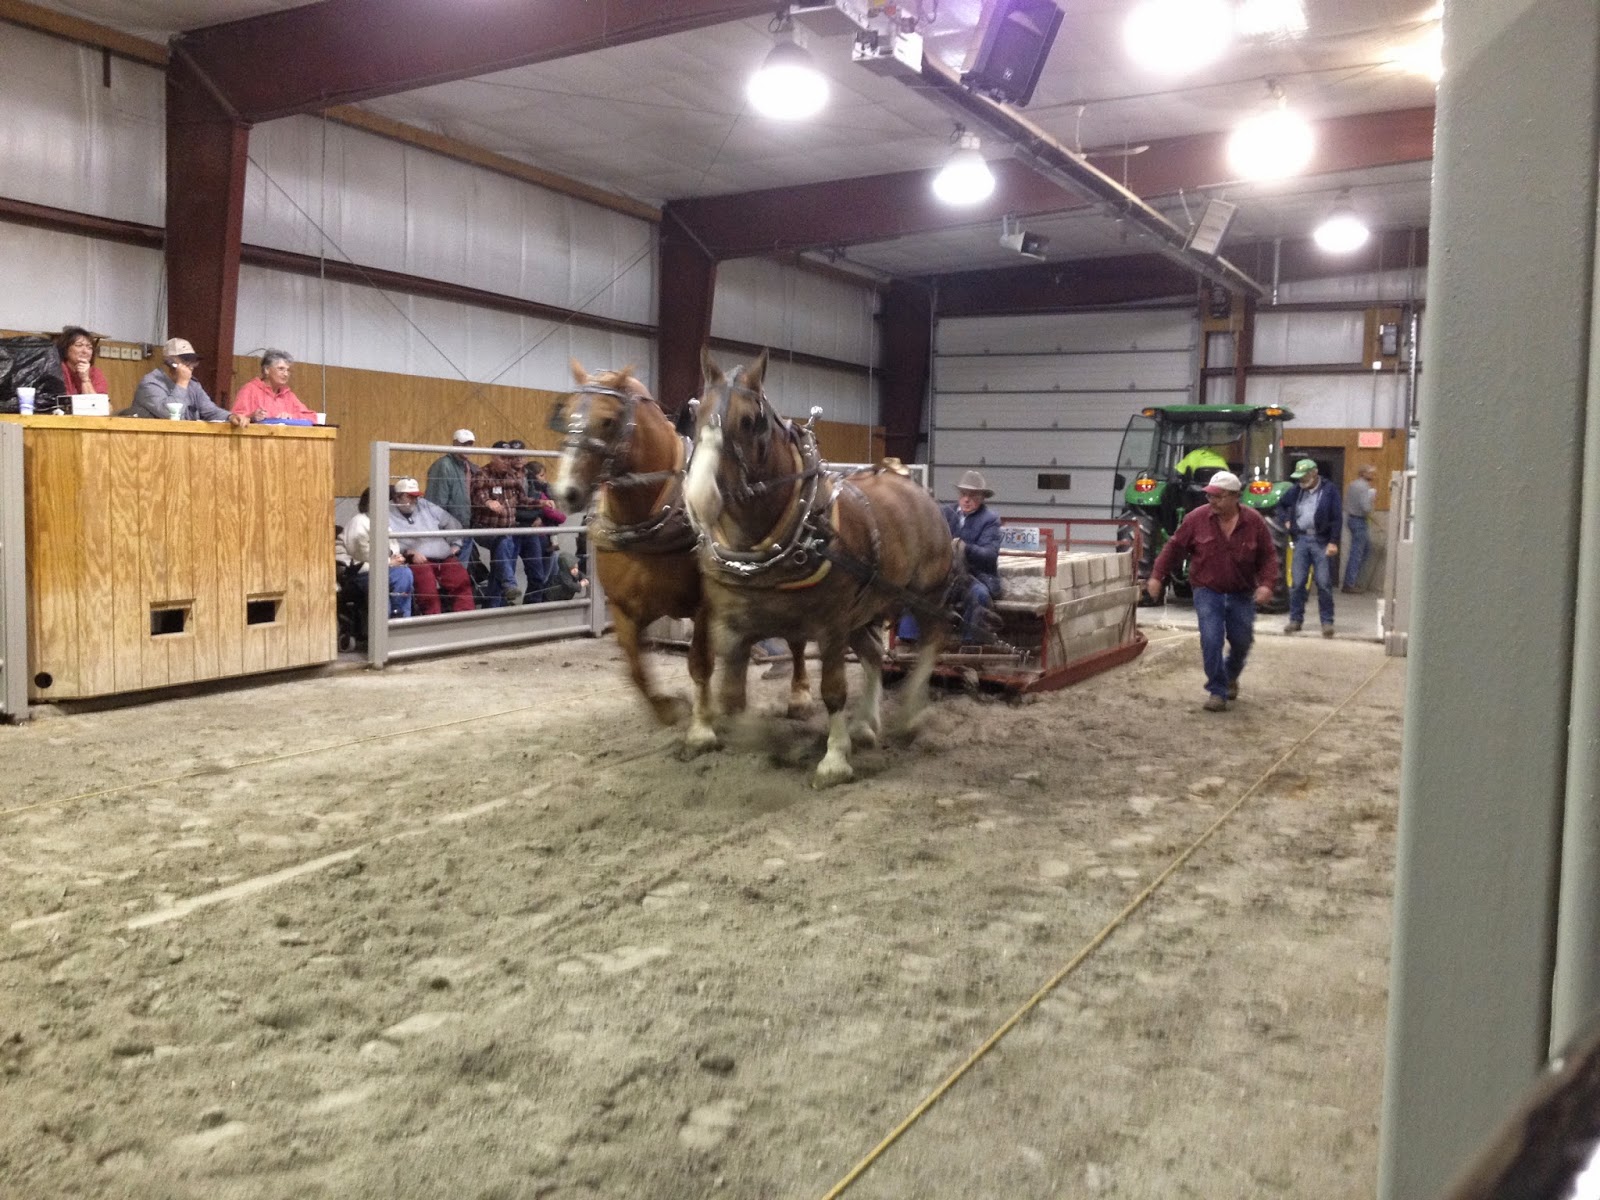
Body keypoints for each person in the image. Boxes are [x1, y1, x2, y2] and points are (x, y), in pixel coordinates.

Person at [1146, 471, 1279, 712]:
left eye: (1218, 497)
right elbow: (1173, 548)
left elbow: (1268, 556)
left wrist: (1267, 584)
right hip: (1208, 590)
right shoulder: (1196, 519)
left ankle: (1229, 675)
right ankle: (1217, 690)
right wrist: (1157, 576)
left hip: (1241, 592)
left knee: (1242, 641)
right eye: (1210, 496)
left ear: (1235, 497)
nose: (1212, 501)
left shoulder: (1254, 522)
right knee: (1211, 639)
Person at [897, 469, 1003, 648]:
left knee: (979, 595)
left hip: (973, 576)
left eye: (972, 495)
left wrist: (964, 547)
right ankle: (908, 640)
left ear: (982, 497)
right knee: (916, 589)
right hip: (945, 575)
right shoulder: (945, 513)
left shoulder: (990, 520)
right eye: (963, 494)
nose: (966, 499)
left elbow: (989, 556)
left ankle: (971, 644)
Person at [388, 476, 474, 614]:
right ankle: (432, 619)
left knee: (461, 579)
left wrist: (455, 543)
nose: (414, 500)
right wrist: (408, 552)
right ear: (398, 497)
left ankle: (466, 616)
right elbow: (388, 542)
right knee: (426, 586)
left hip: (443, 555)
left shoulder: (425, 505)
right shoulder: (386, 513)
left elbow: (452, 523)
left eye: (415, 496)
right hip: (414, 558)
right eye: (410, 496)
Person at [1277, 457, 1342, 637]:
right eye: (1299, 478)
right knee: (1297, 583)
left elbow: (1337, 518)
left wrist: (1333, 542)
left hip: (1322, 542)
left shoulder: (1329, 491)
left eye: (1304, 477)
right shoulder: (1296, 490)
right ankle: (1295, 620)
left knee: (1324, 584)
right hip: (1302, 541)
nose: (1301, 481)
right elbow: (1281, 506)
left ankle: (1327, 622)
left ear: (1314, 474)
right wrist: (1287, 521)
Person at [131, 338, 247, 425]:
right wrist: (181, 384)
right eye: (186, 360)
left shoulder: (193, 385)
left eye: (193, 361)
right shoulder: (150, 383)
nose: (191, 366)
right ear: (169, 361)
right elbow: (168, 415)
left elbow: (209, 410)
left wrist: (230, 416)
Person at [471, 441, 530, 607]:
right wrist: (488, 502)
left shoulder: (511, 477)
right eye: (503, 457)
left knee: (500, 564)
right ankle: (510, 586)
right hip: (485, 529)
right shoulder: (482, 474)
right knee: (503, 547)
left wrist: (541, 503)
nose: (507, 461)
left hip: (508, 529)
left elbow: (522, 499)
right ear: (493, 456)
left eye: (509, 458)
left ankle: (492, 605)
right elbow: (477, 495)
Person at [343, 486, 414, 619]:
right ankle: (392, 618)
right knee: (398, 576)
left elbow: (393, 546)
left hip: (382, 568)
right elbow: (361, 553)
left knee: (404, 573)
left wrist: (395, 557)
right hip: (361, 572)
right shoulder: (359, 521)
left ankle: (400, 616)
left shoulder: (381, 522)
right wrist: (389, 561)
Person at [426, 428, 481, 594]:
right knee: (451, 570)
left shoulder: (470, 468)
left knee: (458, 571)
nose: (467, 448)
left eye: (470, 444)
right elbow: (437, 500)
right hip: (451, 527)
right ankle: (450, 603)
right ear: (454, 444)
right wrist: (441, 528)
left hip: (465, 525)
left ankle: (454, 603)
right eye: (463, 444)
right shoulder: (443, 466)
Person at [512, 448, 567, 603]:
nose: (545, 478)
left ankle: (538, 601)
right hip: (541, 535)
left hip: (544, 534)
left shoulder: (544, 490)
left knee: (546, 573)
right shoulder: (538, 492)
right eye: (541, 475)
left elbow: (555, 510)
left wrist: (543, 513)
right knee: (542, 574)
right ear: (533, 476)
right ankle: (535, 602)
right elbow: (557, 514)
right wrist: (544, 512)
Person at [232, 349, 315, 422]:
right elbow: (235, 419)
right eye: (281, 369)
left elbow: (312, 417)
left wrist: (291, 416)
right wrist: (252, 417)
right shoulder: (249, 390)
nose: (286, 374)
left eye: (288, 370)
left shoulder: (288, 395)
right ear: (267, 370)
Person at [1342, 463, 1378, 593]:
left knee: (1362, 550)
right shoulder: (1365, 488)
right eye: (1371, 472)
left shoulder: (1352, 485)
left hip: (1351, 518)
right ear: (1364, 473)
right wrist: (1372, 501)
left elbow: (1346, 501)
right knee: (1358, 553)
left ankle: (1351, 581)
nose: (1374, 475)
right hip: (1359, 520)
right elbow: (1366, 507)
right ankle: (1350, 583)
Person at [56, 327, 109, 400]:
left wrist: (85, 379)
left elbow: (102, 406)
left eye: (89, 347)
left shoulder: (96, 372)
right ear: (65, 349)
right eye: (79, 345)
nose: (85, 351)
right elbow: (63, 403)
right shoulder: (57, 370)